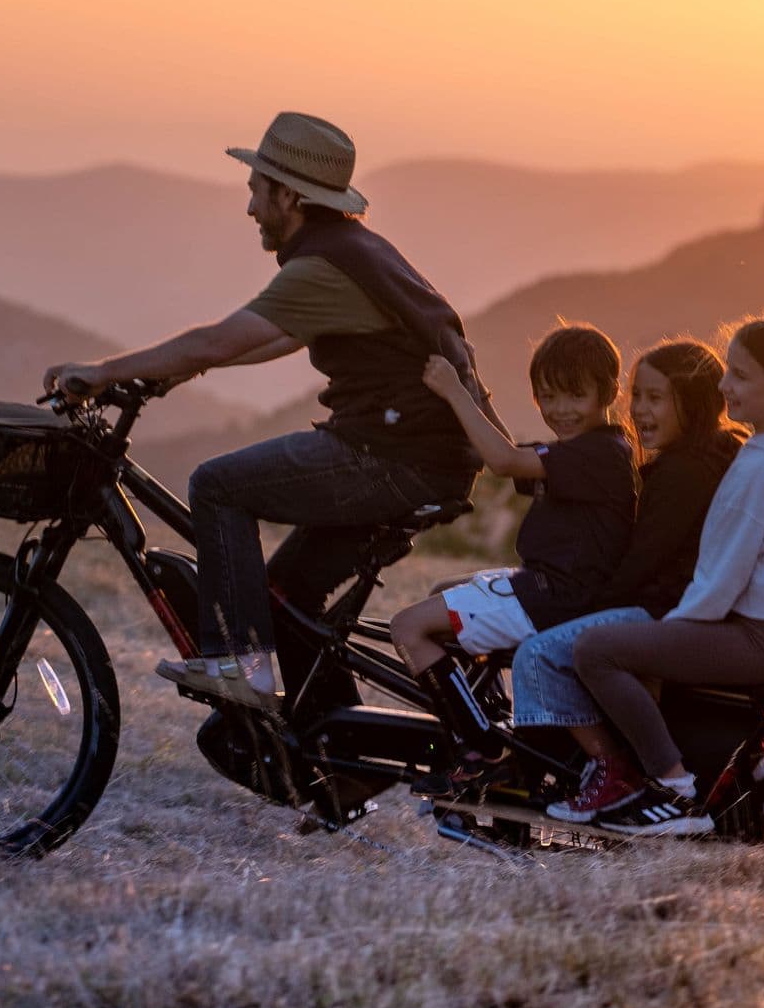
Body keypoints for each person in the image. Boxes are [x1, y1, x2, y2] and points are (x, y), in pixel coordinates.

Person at [43, 111, 497, 711]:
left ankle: (238, 666)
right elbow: (272, 339)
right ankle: (339, 776)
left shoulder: (323, 266)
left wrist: (104, 371)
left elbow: (221, 339)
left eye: (258, 190)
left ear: (289, 195)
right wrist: (175, 373)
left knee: (217, 485)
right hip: (425, 455)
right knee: (284, 597)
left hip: (394, 457)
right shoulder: (353, 251)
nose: (251, 207)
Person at [574, 313, 764, 836]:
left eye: (741, 375)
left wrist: (665, 633)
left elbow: (716, 586)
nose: (724, 385)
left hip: (757, 637)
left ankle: (669, 788)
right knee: (640, 647)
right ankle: (750, 769)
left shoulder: (756, 469)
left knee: (596, 649)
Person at [485, 339, 746, 824]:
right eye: (637, 396)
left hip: (662, 609)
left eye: (656, 398)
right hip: (679, 606)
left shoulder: (681, 473)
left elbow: (642, 562)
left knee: (539, 654)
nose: (641, 411)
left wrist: (590, 606)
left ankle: (592, 774)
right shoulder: (707, 455)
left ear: (693, 402)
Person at [391, 324, 636, 796]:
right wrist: (477, 391)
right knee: (442, 592)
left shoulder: (598, 454)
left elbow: (503, 462)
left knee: (407, 627)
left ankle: (481, 748)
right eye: (548, 397)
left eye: (575, 396)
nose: (560, 410)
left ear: (608, 391)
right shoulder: (590, 448)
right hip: (550, 588)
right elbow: (510, 451)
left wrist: (454, 392)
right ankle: (489, 717)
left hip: (552, 598)